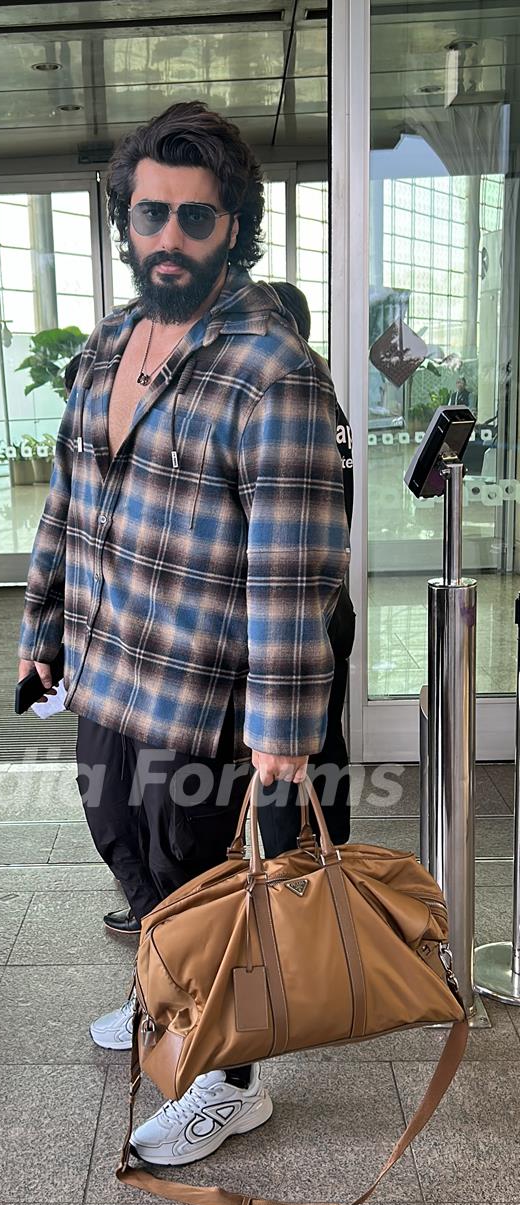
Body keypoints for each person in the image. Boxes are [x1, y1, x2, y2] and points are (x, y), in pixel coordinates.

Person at [18, 102, 349, 1166]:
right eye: (150, 215)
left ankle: (231, 1078)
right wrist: (41, 629)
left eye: (193, 221)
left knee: (208, 887)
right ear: (126, 218)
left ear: (234, 227)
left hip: (207, 692)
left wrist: (285, 736)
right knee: (129, 855)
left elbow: (293, 570)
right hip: (110, 673)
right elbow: (66, 501)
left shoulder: (273, 371)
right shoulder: (111, 341)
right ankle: (168, 999)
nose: (167, 238)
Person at [258, 281, 355, 853]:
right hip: (332, 599)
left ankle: (280, 879)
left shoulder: (289, 399)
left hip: (291, 610)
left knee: (277, 750)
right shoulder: (329, 399)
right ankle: (331, 853)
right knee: (327, 737)